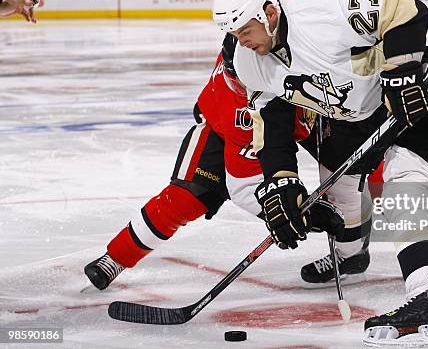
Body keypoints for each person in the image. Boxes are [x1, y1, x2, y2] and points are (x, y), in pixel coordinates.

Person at [212, 0, 428, 346]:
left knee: (405, 175)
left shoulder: (320, 10)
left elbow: (400, 3)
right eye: (233, 34)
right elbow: (271, 122)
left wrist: (403, 72)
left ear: (269, 12)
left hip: (410, 95)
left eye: (244, 29)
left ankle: (426, 293)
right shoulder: (249, 61)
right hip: (352, 115)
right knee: (339, 186)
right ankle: (354, 254)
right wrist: (281, 181)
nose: (239, 41)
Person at [84, 37, 344, 290]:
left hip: (283, 122)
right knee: (185, 198)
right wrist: (300, 213)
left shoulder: (253, 42)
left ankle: (354, 252)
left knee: (350, 170)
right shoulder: (246, 115)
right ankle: (116, 258)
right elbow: (244, 186)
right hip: (220, 132)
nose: (245, 85)